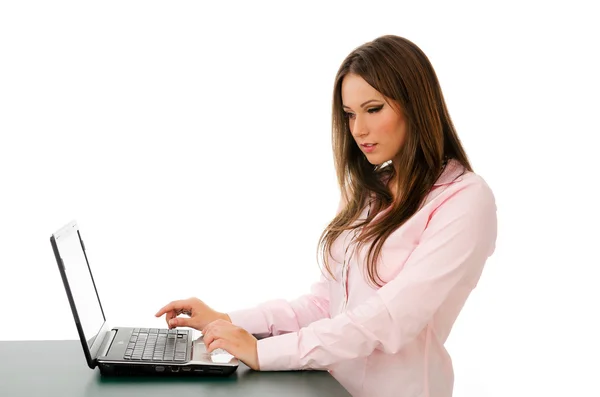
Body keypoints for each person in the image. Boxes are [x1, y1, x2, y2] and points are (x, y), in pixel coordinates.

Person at [155, 35, 497, 397]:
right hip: (325, 387)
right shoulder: (371, 190)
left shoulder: (465, 200)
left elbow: (390, 319)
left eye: (373, 109)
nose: (358, 130)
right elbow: (325, 304)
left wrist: (262, 351)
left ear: (415, 105)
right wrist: (227, 322)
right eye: (350, 114)